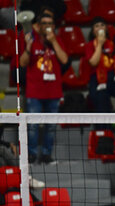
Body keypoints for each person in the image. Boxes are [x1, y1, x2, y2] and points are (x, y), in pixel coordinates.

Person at [19, 13, 68, 164]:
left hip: (53, 92)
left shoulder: (57, 40)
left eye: (50, 23)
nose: (47, 26)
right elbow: (22, 63)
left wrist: (54, 42)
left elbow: (64, 60)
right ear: (38, 26)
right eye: (44, 23)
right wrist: (28, 46)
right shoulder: (31, 40)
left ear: (53, 26)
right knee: (33, 126)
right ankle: (32, 155)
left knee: (51, 127)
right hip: (35, 91)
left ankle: (46, 155)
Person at [85, 16, 115, 115]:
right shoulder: (89, 45)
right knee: (101, 101)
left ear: (106, 29)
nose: (100, 27)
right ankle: (104, 129)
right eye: (97, 26)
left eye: (102, 25)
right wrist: (100, 44)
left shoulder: (112, 44)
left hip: (113, 78)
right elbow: (93, 62)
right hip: (98, 80)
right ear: (93, 31)